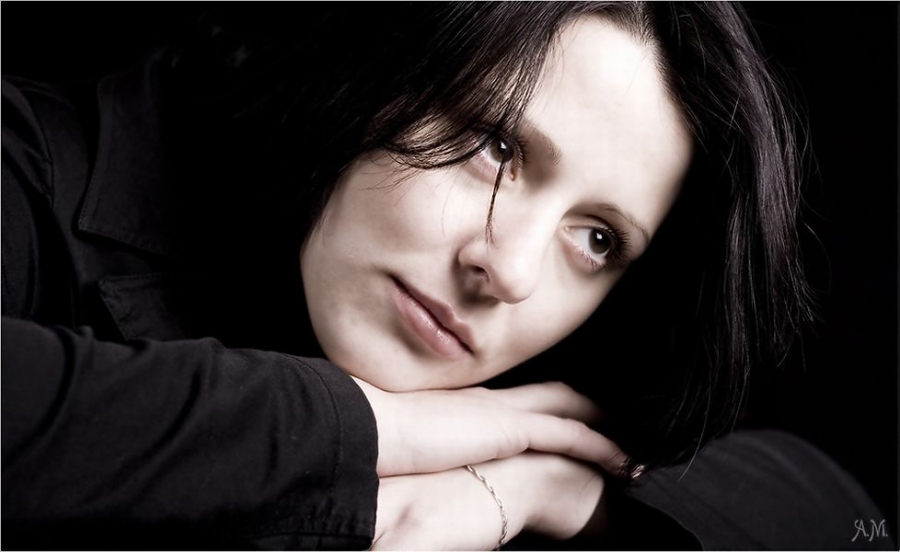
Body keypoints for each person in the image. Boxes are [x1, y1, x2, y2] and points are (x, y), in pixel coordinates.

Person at [1, 2, 891, 550]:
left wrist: (548, 490)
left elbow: (848, 519)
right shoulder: (35, 166)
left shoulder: (540, 400)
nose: (509, 271)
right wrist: (371, 429)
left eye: (596, 239)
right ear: (380, 67)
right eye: (496, 146)